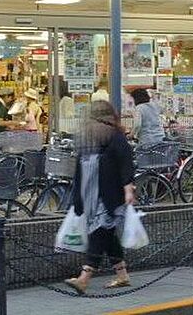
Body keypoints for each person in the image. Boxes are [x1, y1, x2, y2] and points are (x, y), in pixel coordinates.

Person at [65, 100, 136, 294]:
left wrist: (128, 189)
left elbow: (125, 164)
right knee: (107, 234)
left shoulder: (110, 137)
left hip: (105, 195)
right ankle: (122, 275)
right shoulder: (97, 138)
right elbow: (80, 170)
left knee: (99, 232)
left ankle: (84, 278)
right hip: (95, 194)